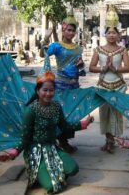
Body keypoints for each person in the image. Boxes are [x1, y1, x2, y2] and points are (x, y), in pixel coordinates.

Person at [0, 70, 94, 193]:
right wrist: (13, 153)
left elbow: (64, 126)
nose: (48, 93)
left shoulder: (56, 106)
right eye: (45, 90)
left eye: (51, 90)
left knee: (73, 169)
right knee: (52, 187)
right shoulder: (30, 111)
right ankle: (39, 171)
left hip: (52, 147)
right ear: (38, 91)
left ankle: (50, 173)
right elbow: (25, 138)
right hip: (35, 152)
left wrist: (84, 123)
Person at [40, 11, 86, 153]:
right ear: (63, 30)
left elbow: (80, 68)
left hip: (74, 84)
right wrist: (44, 40)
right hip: (60, 84)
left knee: (71, 113)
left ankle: (65, 140)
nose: (71, 33)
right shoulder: (57, 46)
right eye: (69, 30)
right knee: (59, 114)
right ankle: (61, 141)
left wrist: (81, 66)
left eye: (73, 30)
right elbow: (43, 54)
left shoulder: (78, 48)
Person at [89, 5, 129, 154]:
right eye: (109, 33)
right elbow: (91, 67)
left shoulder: (122, 50)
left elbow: (128, 67)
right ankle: (108, 139)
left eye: (114, 33)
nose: (112, 35)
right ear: (105, 35)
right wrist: (103, 69)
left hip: (118, 85)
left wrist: (116, 69)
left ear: (119, 35)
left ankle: (112, 140)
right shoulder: (99, 50)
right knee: (105, 114)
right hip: (103, 85)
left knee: (116, 114)